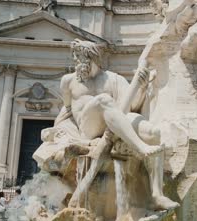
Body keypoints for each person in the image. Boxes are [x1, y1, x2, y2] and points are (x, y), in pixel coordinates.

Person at [55, 39, 178, 210]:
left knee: (154, 133)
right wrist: (58, 131)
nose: (76, 62)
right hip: (88, 128)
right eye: (75, 58)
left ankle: (157, 194)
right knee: (104, 100)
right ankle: (141, 148)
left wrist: (140, 86)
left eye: (80, 58)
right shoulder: (68, 81)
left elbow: (128, 107)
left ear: (92, 58)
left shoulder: (113, 79)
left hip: (116, 122)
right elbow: (66, 111)